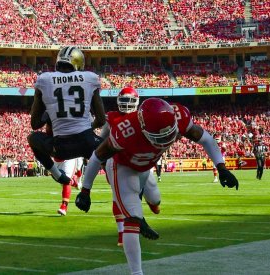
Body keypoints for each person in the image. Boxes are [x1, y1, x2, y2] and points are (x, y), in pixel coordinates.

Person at [76, 98, 239, 275]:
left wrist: (222, 168)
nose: (167, 141)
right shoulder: (126, 130)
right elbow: (97, 156)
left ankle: (144, 211)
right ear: (144, 129)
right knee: (132, 218)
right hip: (123, 167)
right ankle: (137, 271)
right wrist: (86, 190)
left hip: (146, 167)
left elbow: (206, 138)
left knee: (155, 199)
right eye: (160, 137)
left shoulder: (179, 116)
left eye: (170, 134)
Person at [28, 46, 106, 185]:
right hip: (87, 142)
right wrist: (88, 129)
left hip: (60, 147)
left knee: (33, 138)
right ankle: (113, 183)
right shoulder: (90, 77)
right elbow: (100, 119)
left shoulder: (44, 79)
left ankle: (57, 175)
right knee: (112, 152)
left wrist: (50, 113)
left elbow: (35, 124)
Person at [99, 87, 160, 247]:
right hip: (119, 163)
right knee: (118, 197)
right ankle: (122, 234)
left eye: (129, 101)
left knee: (155, 197)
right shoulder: (111, 118)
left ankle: (152, 203)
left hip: (142, 162)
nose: (126, 104)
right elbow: (101, 140)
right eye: (123, 100)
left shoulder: (143, 117)